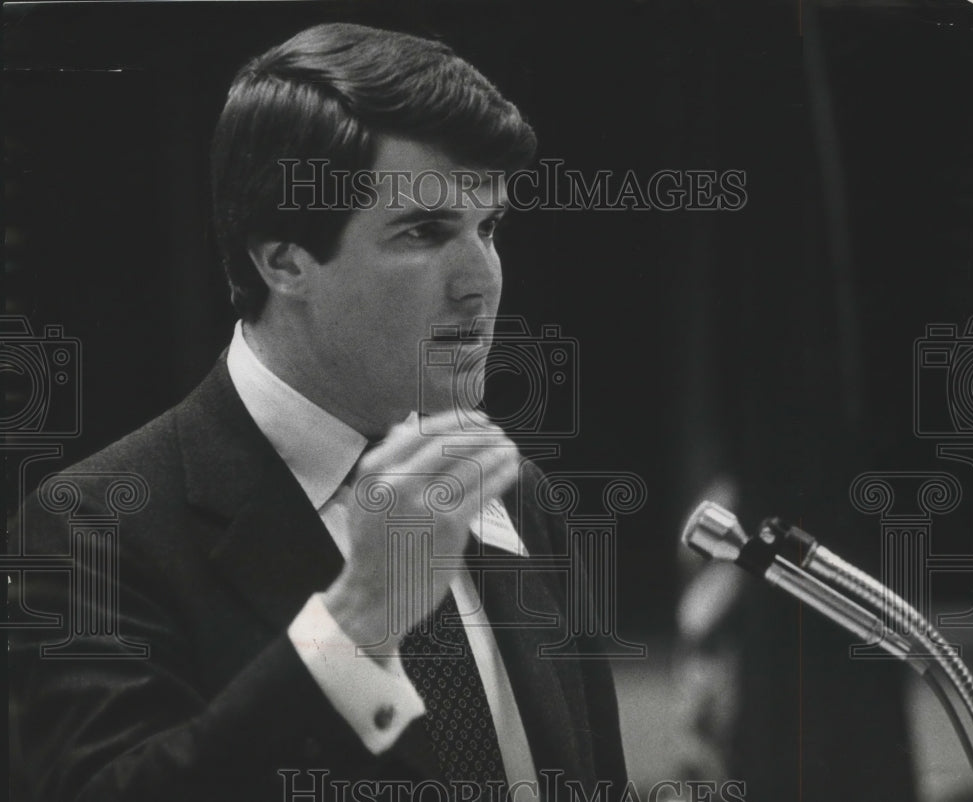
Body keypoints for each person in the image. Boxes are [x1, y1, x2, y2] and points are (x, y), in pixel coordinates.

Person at [10, 22, 627, 802]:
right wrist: (355, 622)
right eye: (425, 231)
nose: (482, 282)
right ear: (283, 258)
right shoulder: (92, 528)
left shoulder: (520, 496)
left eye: (489, 226)